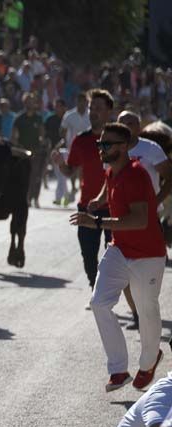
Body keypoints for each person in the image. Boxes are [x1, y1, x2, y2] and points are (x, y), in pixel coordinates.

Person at [73, 122, 168, 392]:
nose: (101, 149)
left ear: (124, 147)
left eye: (107, 144)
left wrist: (97, 222)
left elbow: (139, 220)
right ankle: (118, 369)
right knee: (99, 302)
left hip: (148, 255)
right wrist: (98, 201)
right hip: (120, 249)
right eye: (100, 144)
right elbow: (107, 186)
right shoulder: (111, 170)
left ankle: (149, 362)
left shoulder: (137, 175)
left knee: (146, 308)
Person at [52, 88, 114, 290]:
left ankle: (106, 290)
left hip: (115, 206)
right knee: (88, 253)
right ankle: (94, 286)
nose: (93, 111)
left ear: (109, 112)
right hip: (88, 206)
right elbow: (70, 170)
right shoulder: (81, 139)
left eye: (98, 108)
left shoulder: (119, 139)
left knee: (113, 254)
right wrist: (60, 164)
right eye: (91, 107)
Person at [118, 110, 172, 206]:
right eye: (121, 124)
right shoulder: (111, 150)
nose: (125, 127)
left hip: (150, 213)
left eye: (129, 124)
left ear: (139, 127)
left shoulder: (152, 148)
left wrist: (155, 203)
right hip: (122, 212)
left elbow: (169, 177)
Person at [11, 91, 45, 207]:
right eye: (27, 102)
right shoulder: (19, 118)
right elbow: (14, 136)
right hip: (23, 152)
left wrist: (42, 144)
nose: (29, 104)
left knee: (36, 175)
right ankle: (25, 197)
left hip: (36, 151)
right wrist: (16, 148)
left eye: (31, 101)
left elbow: (42, 134)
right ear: (24, 103)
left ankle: (35, 198)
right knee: (23, 175)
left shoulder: (38, 118)